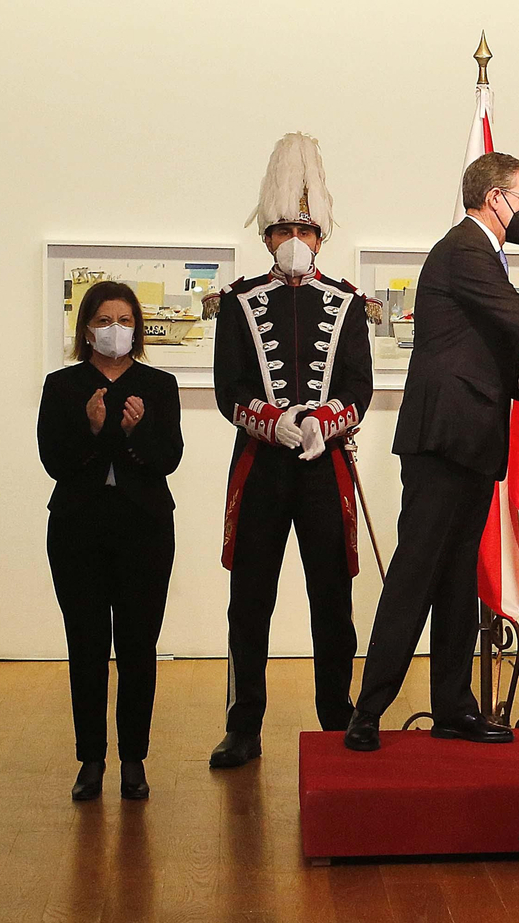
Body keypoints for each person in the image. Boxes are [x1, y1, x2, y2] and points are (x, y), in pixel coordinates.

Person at [345, 152, 519, 750]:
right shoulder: (465, 249)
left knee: (459, 580)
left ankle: (454, 708)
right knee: (416, 575)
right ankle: (368, 710)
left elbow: (473, 348)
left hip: (466, 441)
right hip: (443, 442)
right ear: (494, 198)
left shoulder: (479, 253)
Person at [207, 132, 374, 768]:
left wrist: (327, 422)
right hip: (262, 468)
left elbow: (359, 384)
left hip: (324, 469)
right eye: (283, 227)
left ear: (322, 232)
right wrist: (273, 423)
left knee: (332, 601)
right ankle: (243, 723)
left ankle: (337, 717)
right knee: (249, 602)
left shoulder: (349, 304)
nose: (295, 238)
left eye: (306, 226)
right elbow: (230, 389)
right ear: (266, 233)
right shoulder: (237, 303)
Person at [38, 281, 182, 800]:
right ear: (86, 328)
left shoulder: (159, 385)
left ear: (137, 328)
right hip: (78, 527)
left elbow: (168, 457)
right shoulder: (62, 385)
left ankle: (134, 761)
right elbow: (53, 459)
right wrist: (93, 430)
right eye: (103, 321)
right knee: (86, 643)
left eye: (123, 320)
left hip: (144, 528)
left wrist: (137, 432)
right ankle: (91, 760)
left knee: (139, 644)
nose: (113, 330)